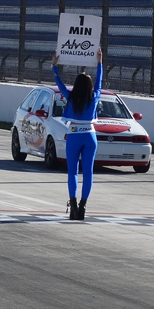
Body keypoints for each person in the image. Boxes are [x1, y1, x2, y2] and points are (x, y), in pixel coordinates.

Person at [52, 48, 103, 221]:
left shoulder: (71, 97)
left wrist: (54, 67)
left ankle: (73, 204)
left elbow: (59, 85)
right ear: (89, 86)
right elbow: (100, 83)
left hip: (74, 134)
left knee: (72, 172)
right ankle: (83, 206)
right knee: (88, 173)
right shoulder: (94, 97)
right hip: (90, 134)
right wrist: (100, 63)